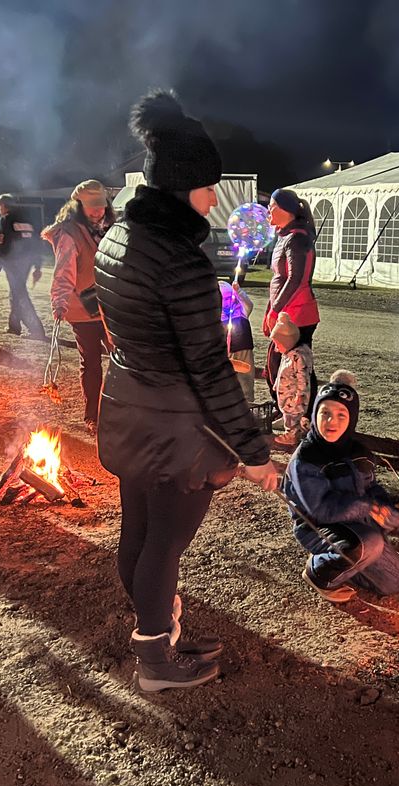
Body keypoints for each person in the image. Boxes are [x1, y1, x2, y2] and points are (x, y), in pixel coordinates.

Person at [95, 89, 281, 692]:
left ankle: (159, 631)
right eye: (207, 187)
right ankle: (155, 660)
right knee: (164, 544)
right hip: (175, 428)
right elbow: (207, 368)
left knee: (139, 531)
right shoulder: (180, 257)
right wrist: (252, 451)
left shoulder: (119, 237)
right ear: (182, 186)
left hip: (128, 407)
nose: (212, 198)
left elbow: (136, 326)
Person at [283, 370, 399, 603]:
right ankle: (318, 572)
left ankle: (348, 561)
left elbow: (372, 487)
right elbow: (321, 509)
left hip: (356, 525)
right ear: (314, 415)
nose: (332, 421)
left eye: (342, 415)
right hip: (318, 527)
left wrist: (384, 507)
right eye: (325, 413)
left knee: (395, 582)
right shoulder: (307, 459)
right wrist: (366, 508)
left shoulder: (358, 452)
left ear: (352, 418)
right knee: (369, 543)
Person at [43, 179, 114, 431]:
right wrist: (60, 301)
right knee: (92, 363)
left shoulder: (112, 229)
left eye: (101, 206)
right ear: (78, 206)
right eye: (92, 206)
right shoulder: (69, 233)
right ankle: (93, 415)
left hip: (110, 306)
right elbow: (64, 270)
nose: (98, 211)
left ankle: (119, 410)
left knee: (122, 359)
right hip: (83, 309)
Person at [262, 188, 319, 405]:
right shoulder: (285, 237)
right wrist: (271, 309)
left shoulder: (297, 239)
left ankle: (303, 416)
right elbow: (279, 279)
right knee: (277, 364)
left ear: (285, 209)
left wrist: (276, 310)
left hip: (298, 315)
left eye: (272, 207)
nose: (268, 212)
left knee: (298, 368)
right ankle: (286, 410)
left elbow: (295, 280)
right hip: (287, 312)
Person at [0, 193, 46, 339]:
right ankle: (14, 326)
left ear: (4, 206)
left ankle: (36, 330)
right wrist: (37, 265)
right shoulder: (27, 219)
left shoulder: (5, 220)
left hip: (13, 262)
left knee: (20, 294)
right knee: (16, 293)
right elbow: (35, 243)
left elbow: (2, 246)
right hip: (26, 262)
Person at [270, 312, 312, 449]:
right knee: (290, 416)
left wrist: (300, 394)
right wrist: (277, 382)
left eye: (278, 344)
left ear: (287, 342)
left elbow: (303, 377)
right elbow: (283, 369)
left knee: (292, 417)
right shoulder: (287, 354)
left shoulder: (298, 357)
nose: (276, 348)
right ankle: (299, 431)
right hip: (286, 394)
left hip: (294, 395)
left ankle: (291, 436)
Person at [219, 280, 255, 402]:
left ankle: (247, 401)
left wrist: (239, 291)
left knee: (245, 381)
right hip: (225, 354)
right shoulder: (218, 318)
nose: (227, 301)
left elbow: (249, 304)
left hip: (243, 353)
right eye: (223, 299)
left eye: (230, 297)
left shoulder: (242, 312)